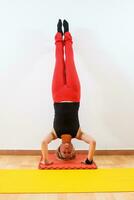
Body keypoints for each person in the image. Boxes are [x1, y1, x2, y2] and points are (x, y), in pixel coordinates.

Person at [40, 19, 96, 167]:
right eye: (69, 153)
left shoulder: (54, 134)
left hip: (57, 94)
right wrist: (89, 160)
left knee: (59, 60)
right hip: (74, 94)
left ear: (58, 149)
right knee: (69, 60)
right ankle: (68, 33)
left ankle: (59, 33)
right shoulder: (78, 133)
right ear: (73, 150)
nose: (66, 151)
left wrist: (45, 160)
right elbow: (92, 142)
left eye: (63, 153)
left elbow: (43, 143)